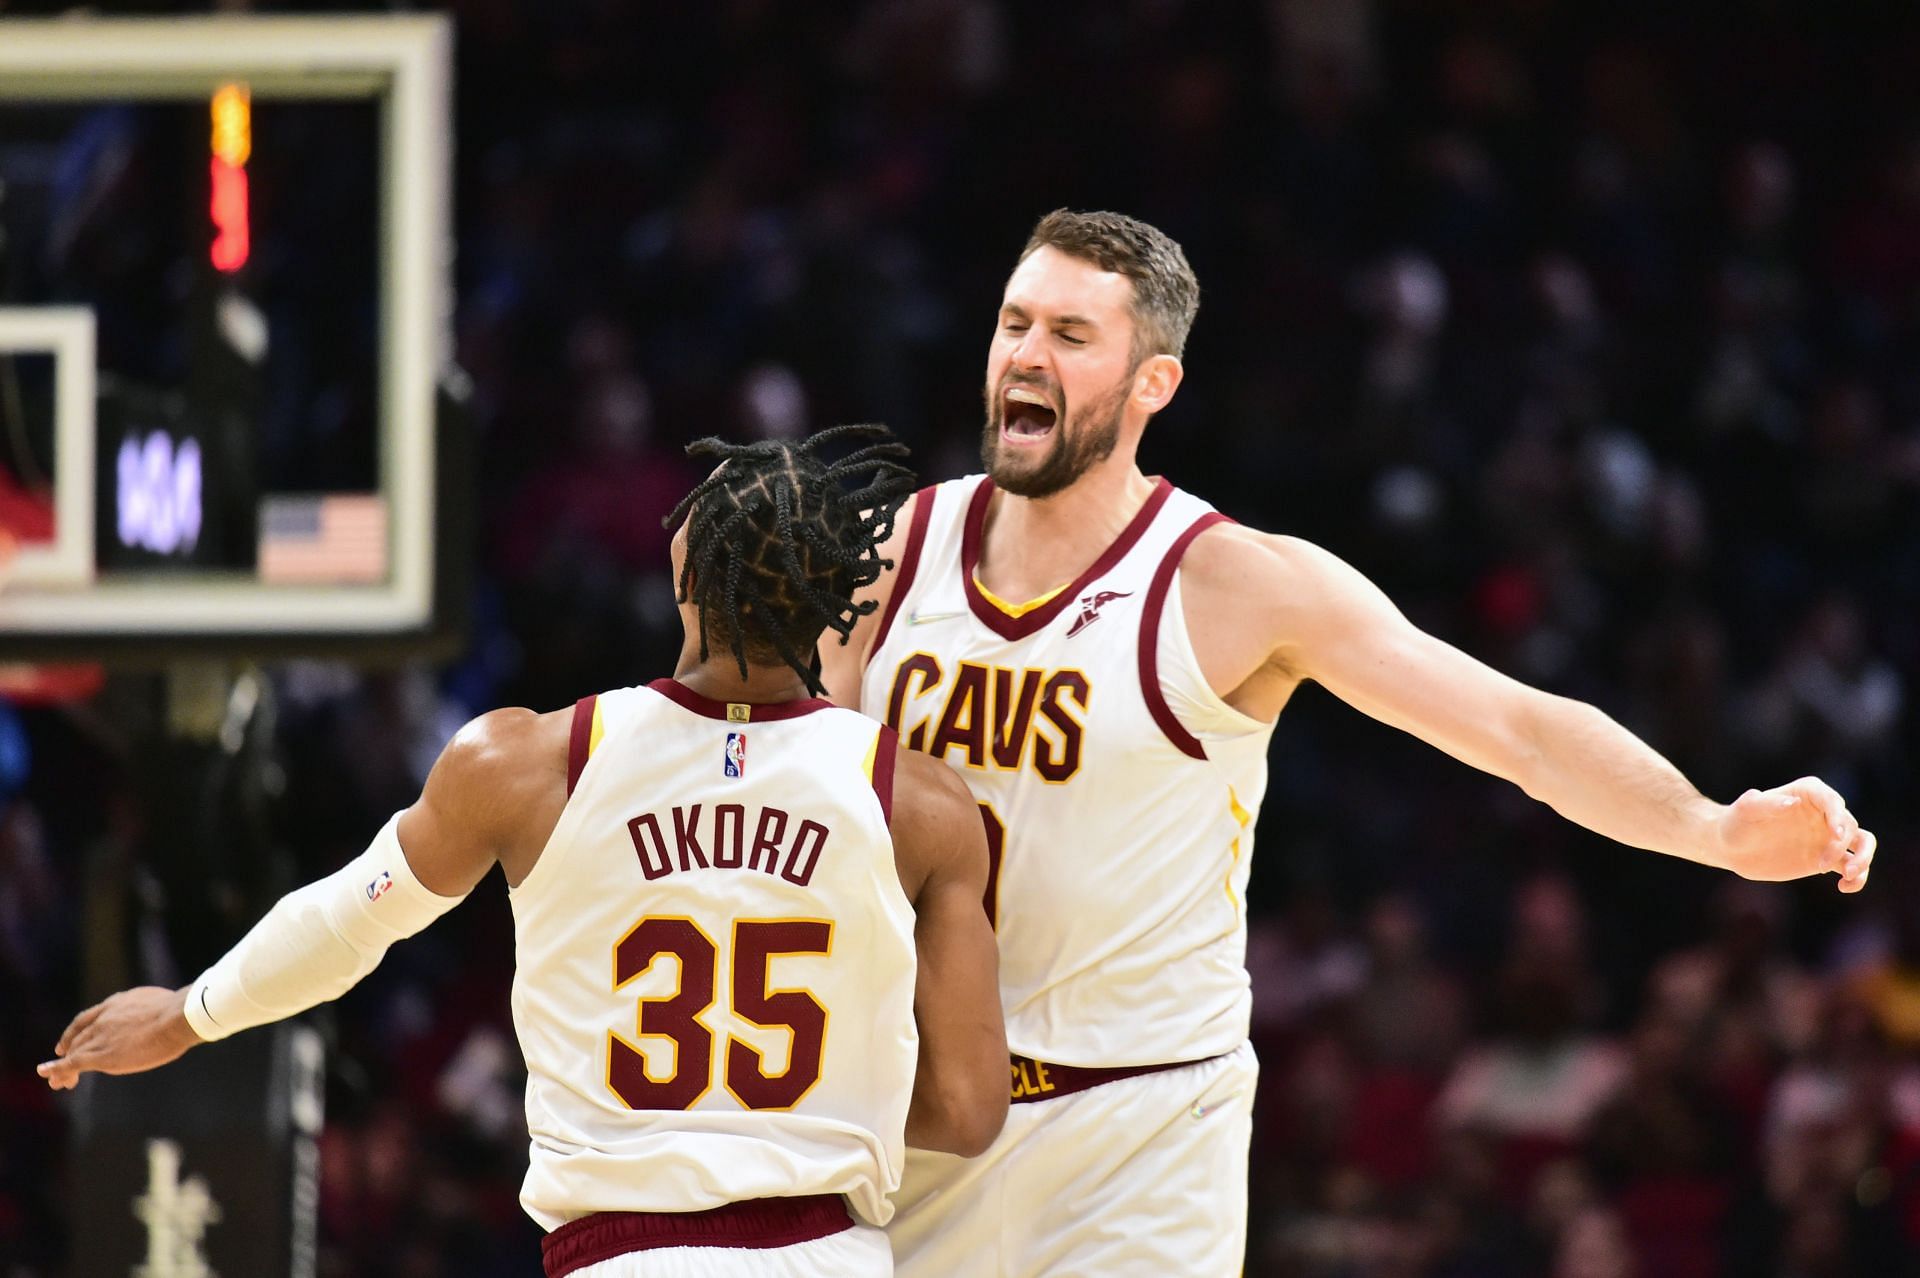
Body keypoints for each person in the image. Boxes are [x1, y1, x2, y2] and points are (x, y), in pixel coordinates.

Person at [817, 209, 1879, 1276]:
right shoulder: (887, 556)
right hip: (924, 1110)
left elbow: (1521, 730)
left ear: (1154, 385)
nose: (1027, 355)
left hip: (1136, 1135)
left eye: (1071, 335)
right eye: (1015, 322)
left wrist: (1715, 829)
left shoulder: (1229, 584)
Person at [40, 425, 1009, 1278]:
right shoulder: (917, 800)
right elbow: (968, 1111)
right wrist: (809, 1121)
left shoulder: (529, 761)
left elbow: (350, 921)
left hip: (622, 1253)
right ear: (841, 598)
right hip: (828, 1254)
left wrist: (188, 1013)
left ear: (680, 568)